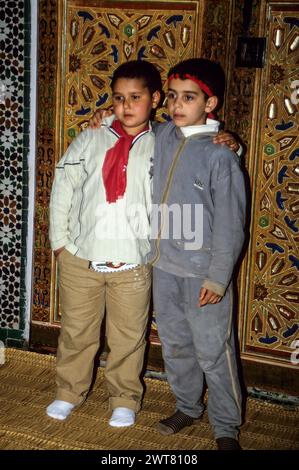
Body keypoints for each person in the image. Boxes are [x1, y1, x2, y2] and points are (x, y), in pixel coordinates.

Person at [46, 60, 162, 427]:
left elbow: (204, 158)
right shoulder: (93, 135)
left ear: (155, 99)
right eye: (118, 98)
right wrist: (60, 243)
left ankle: (124, 398)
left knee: (128, 335)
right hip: (82, 257)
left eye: (135, 97)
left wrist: (230, 144)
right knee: (77, 331)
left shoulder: (165, 141)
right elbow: (63, 186)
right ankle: (68, 392)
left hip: (132, 261)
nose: (125, 106)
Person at [150, 58, 246, 450]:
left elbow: (230, 224)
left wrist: (217, 278)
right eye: (172, 96)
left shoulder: (221, 156)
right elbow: (132, 125)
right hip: (164, 267)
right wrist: (106, 115)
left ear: (210, 104)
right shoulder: (163, 136)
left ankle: (226, 427)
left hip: (204, 275)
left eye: (188, 98)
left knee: (213, 350)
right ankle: (188, 406)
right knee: (175, 345)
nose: (177, 105)